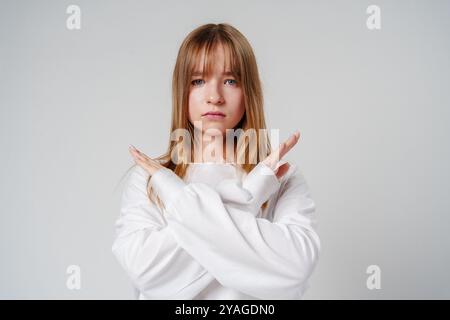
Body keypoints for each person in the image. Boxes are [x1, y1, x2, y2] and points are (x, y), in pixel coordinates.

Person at [112, 23, 320, 299]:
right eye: (198, 81)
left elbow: (295, 269)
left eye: (230, 81)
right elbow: (146, 272)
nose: (214, 97)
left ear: (249, 92)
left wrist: (178, 196)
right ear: (182, 91)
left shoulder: (282, 178)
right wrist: (249, 197)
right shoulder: (148, 180)